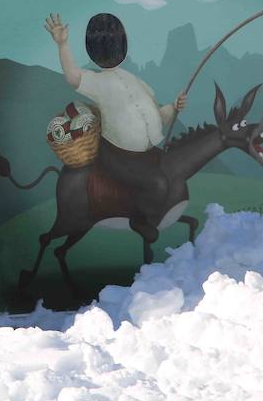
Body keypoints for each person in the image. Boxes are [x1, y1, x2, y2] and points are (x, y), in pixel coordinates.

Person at [45, 12, 187, 242]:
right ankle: (140, 222)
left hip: (147, 152)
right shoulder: (97, 82)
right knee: (158, 183)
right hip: (118, 154)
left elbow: (158, 117)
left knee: (173, 170)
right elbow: (73, 77)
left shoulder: (134, 80)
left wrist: (174, 106)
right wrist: (62, 45)